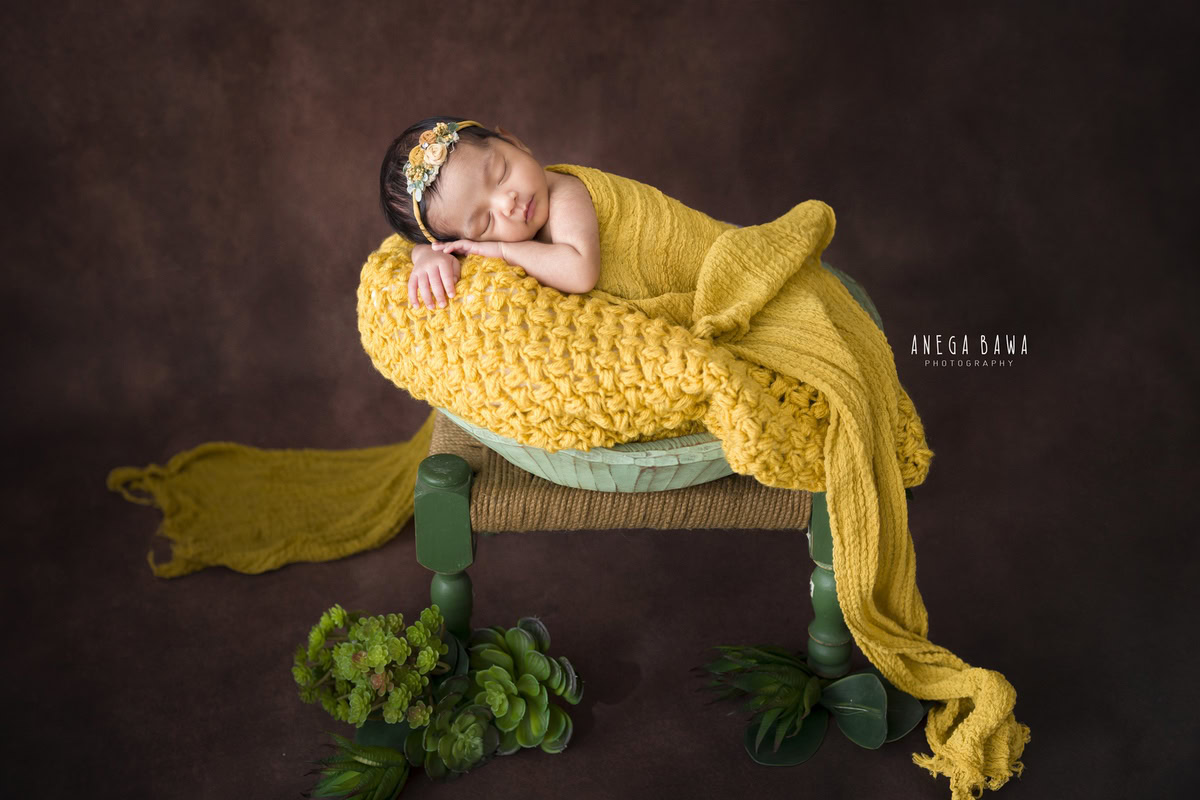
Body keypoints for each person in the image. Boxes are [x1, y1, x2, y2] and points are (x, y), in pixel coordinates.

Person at [379, 117, 602, 310]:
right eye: (485, 221)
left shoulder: (565, 192)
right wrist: (428, 256)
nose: (508, 203)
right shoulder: (470, 233)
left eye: (502, 173)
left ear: (514, 142)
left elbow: (581, 273)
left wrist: (502, 250)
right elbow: (437, 246)